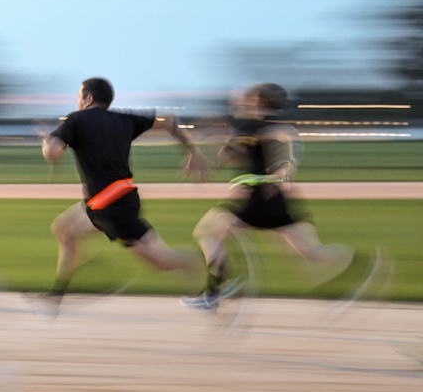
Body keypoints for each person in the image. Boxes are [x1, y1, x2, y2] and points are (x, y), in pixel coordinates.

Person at [39, 76, 209, 314]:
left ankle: (197, 269)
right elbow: (169, 120)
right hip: (111, 201)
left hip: (109, 208)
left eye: (79, 96)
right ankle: (57, 296)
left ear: (87, 98)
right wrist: (192, 151)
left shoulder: (75, 119)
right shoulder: (125, 118)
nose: (77, 100)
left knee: (163, 263)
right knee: (64, 229)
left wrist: (47, 141)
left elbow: (52, 151)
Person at [180, 83, 354, 312]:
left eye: (247, 100)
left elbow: (227, 157)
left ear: (257, 102)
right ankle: (364, 264)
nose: (242, 103)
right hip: (278, 199)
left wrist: (221, 134)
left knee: (207, 232)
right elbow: (282, 160)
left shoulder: (250, 127)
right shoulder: (281, 128)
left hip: (258, 196)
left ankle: (216, 291)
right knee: (314, 253)